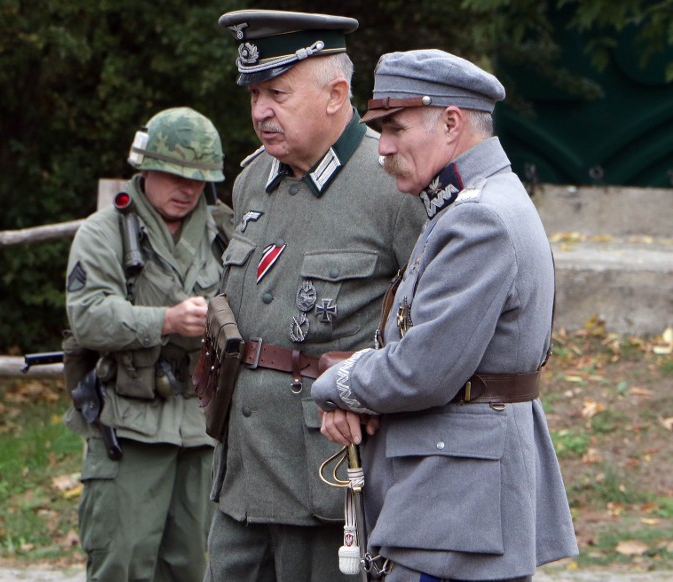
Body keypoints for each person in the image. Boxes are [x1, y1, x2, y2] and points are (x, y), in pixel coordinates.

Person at [311, 49, 580, 581]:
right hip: (459, 500)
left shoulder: (476, 218)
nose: (382, 148)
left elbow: (421, 369)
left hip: (453, 508)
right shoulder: (476, 203)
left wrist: (335, 382)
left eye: (395, 128)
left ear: (452, 123)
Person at [205, 10, 425, 582]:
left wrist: (368, 388)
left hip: (328, 480)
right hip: (241, 476)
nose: (260, 112)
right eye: (254, 94)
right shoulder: (254, 179)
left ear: (336, 94)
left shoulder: (392, 185)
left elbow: (431, 327)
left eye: (277, 92)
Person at [64, 106, 233, 582]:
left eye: (199, 179)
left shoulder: (226, 231)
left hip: (202, 426)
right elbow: (88, 316)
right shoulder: (105, 233)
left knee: (196, 567)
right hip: (129, 424)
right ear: (146, 169)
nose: (187, 189)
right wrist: (166, 320)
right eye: (175, 175)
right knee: (122, 562)